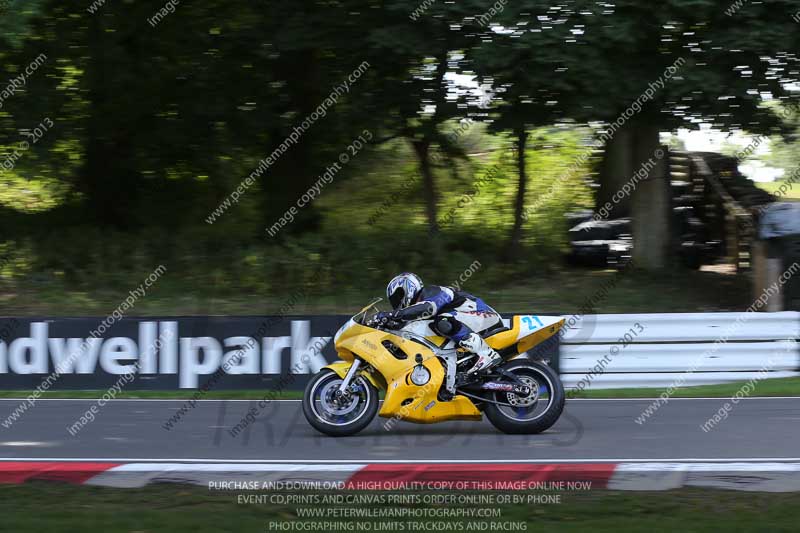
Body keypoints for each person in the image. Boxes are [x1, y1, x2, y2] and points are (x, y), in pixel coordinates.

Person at [372, 272, 504, 399]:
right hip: (471, 322)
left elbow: (428, 307)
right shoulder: (419, 309)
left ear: (408, 287)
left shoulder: (432, 292)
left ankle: (486, 354)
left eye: (398, 296)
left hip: (483, 316)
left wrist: (392, 315)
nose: (398, 303)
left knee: (443, 322)